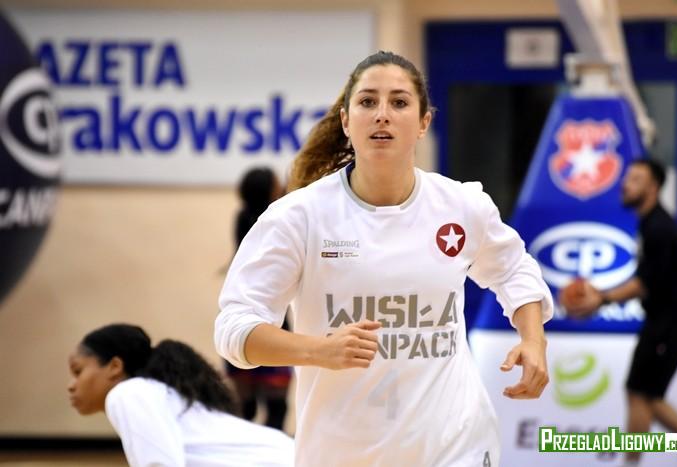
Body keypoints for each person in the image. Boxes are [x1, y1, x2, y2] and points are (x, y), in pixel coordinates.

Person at [215, 50, 553, 467]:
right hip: (343, 452)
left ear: (424, 122)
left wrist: (533, 340)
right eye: (367, 101)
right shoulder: (297, 217)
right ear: (346, 120)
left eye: (399, 102)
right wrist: (317, 350)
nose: (382, 114)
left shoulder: (462, 205)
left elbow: (515, 268)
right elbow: (234, 330)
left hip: (455, 444)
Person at [562, 159, 677, 466]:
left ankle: (636, 461)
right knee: (646, 395)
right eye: (627, 177)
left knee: (640, 393)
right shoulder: (649, 223)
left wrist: (601, 298)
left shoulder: (660, 228)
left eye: (636, 179)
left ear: (653, 187)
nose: (626, 184)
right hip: (664, 321)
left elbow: (643, 284)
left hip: (672, 322)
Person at [68, 323, 294, 467]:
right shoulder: (156, 392)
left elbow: (159, 464)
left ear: (115, 366)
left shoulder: (127, 393)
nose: (71, 385)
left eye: (78, 371)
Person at [224, 167, 291, 430]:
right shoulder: (277, 219)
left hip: (243, 321)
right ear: (269, 190)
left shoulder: (242, 217)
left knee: (245, 408)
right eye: (276, 184)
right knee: (276, 407)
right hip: (272, 323)